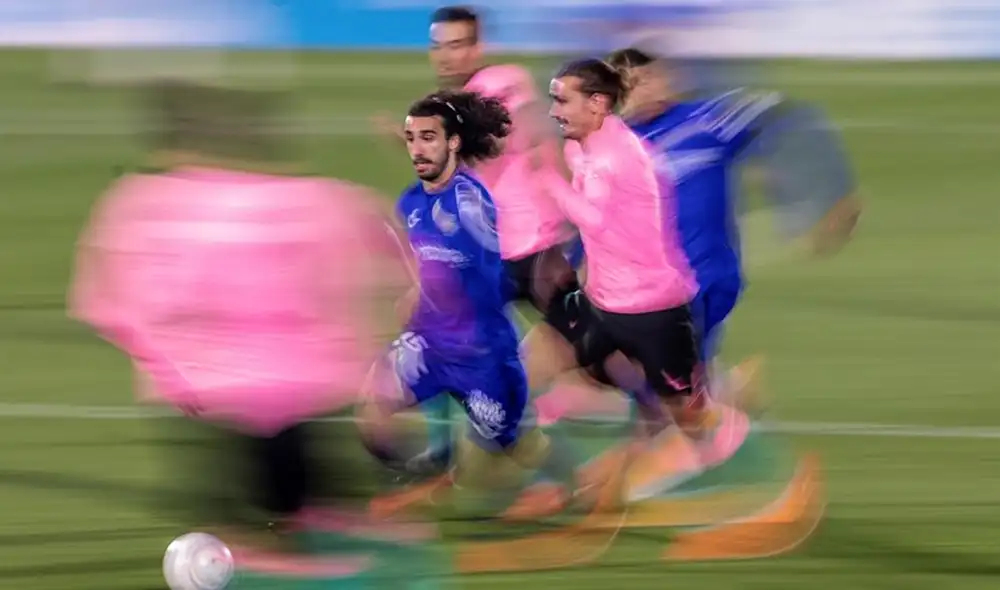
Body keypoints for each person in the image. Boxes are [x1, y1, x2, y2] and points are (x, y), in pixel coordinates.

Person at [68, 82, 407, 556]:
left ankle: (280, 540)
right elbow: (386, 238)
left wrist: (164, 364)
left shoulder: (151, 203)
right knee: (281, 506)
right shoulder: (300, 198)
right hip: (266, 389)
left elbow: (108, 302)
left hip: (225, 390)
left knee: (267, 505)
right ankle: (279, 545)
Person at [374, 6, 583, 476]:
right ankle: (446, 448)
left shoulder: (502, 81)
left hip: (534, 248)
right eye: (438, 46)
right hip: (484, 257)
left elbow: (493, 142)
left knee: (600, 352)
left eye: (457, 45)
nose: (447, 56)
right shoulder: (445, 105)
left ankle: (664, 419)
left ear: (478, 47)